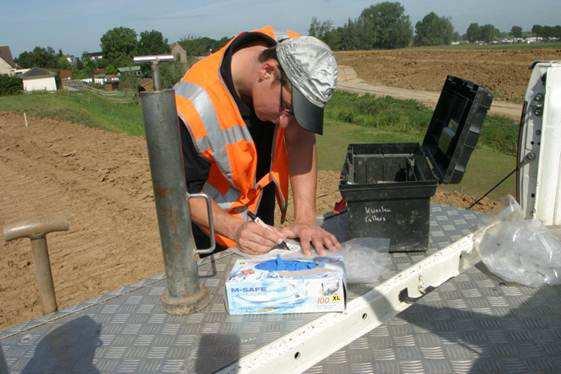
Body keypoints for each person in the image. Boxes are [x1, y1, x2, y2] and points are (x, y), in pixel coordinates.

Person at [175, 25, 340, 256]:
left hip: (259, 215)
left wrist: (305, 221)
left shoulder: (296, 53)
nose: (285, 123)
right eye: (286, 108)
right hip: (213, 227)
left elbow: (300, 137)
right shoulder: (192, 105)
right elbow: (182, 193)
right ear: (267, 71)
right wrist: (236, 229)